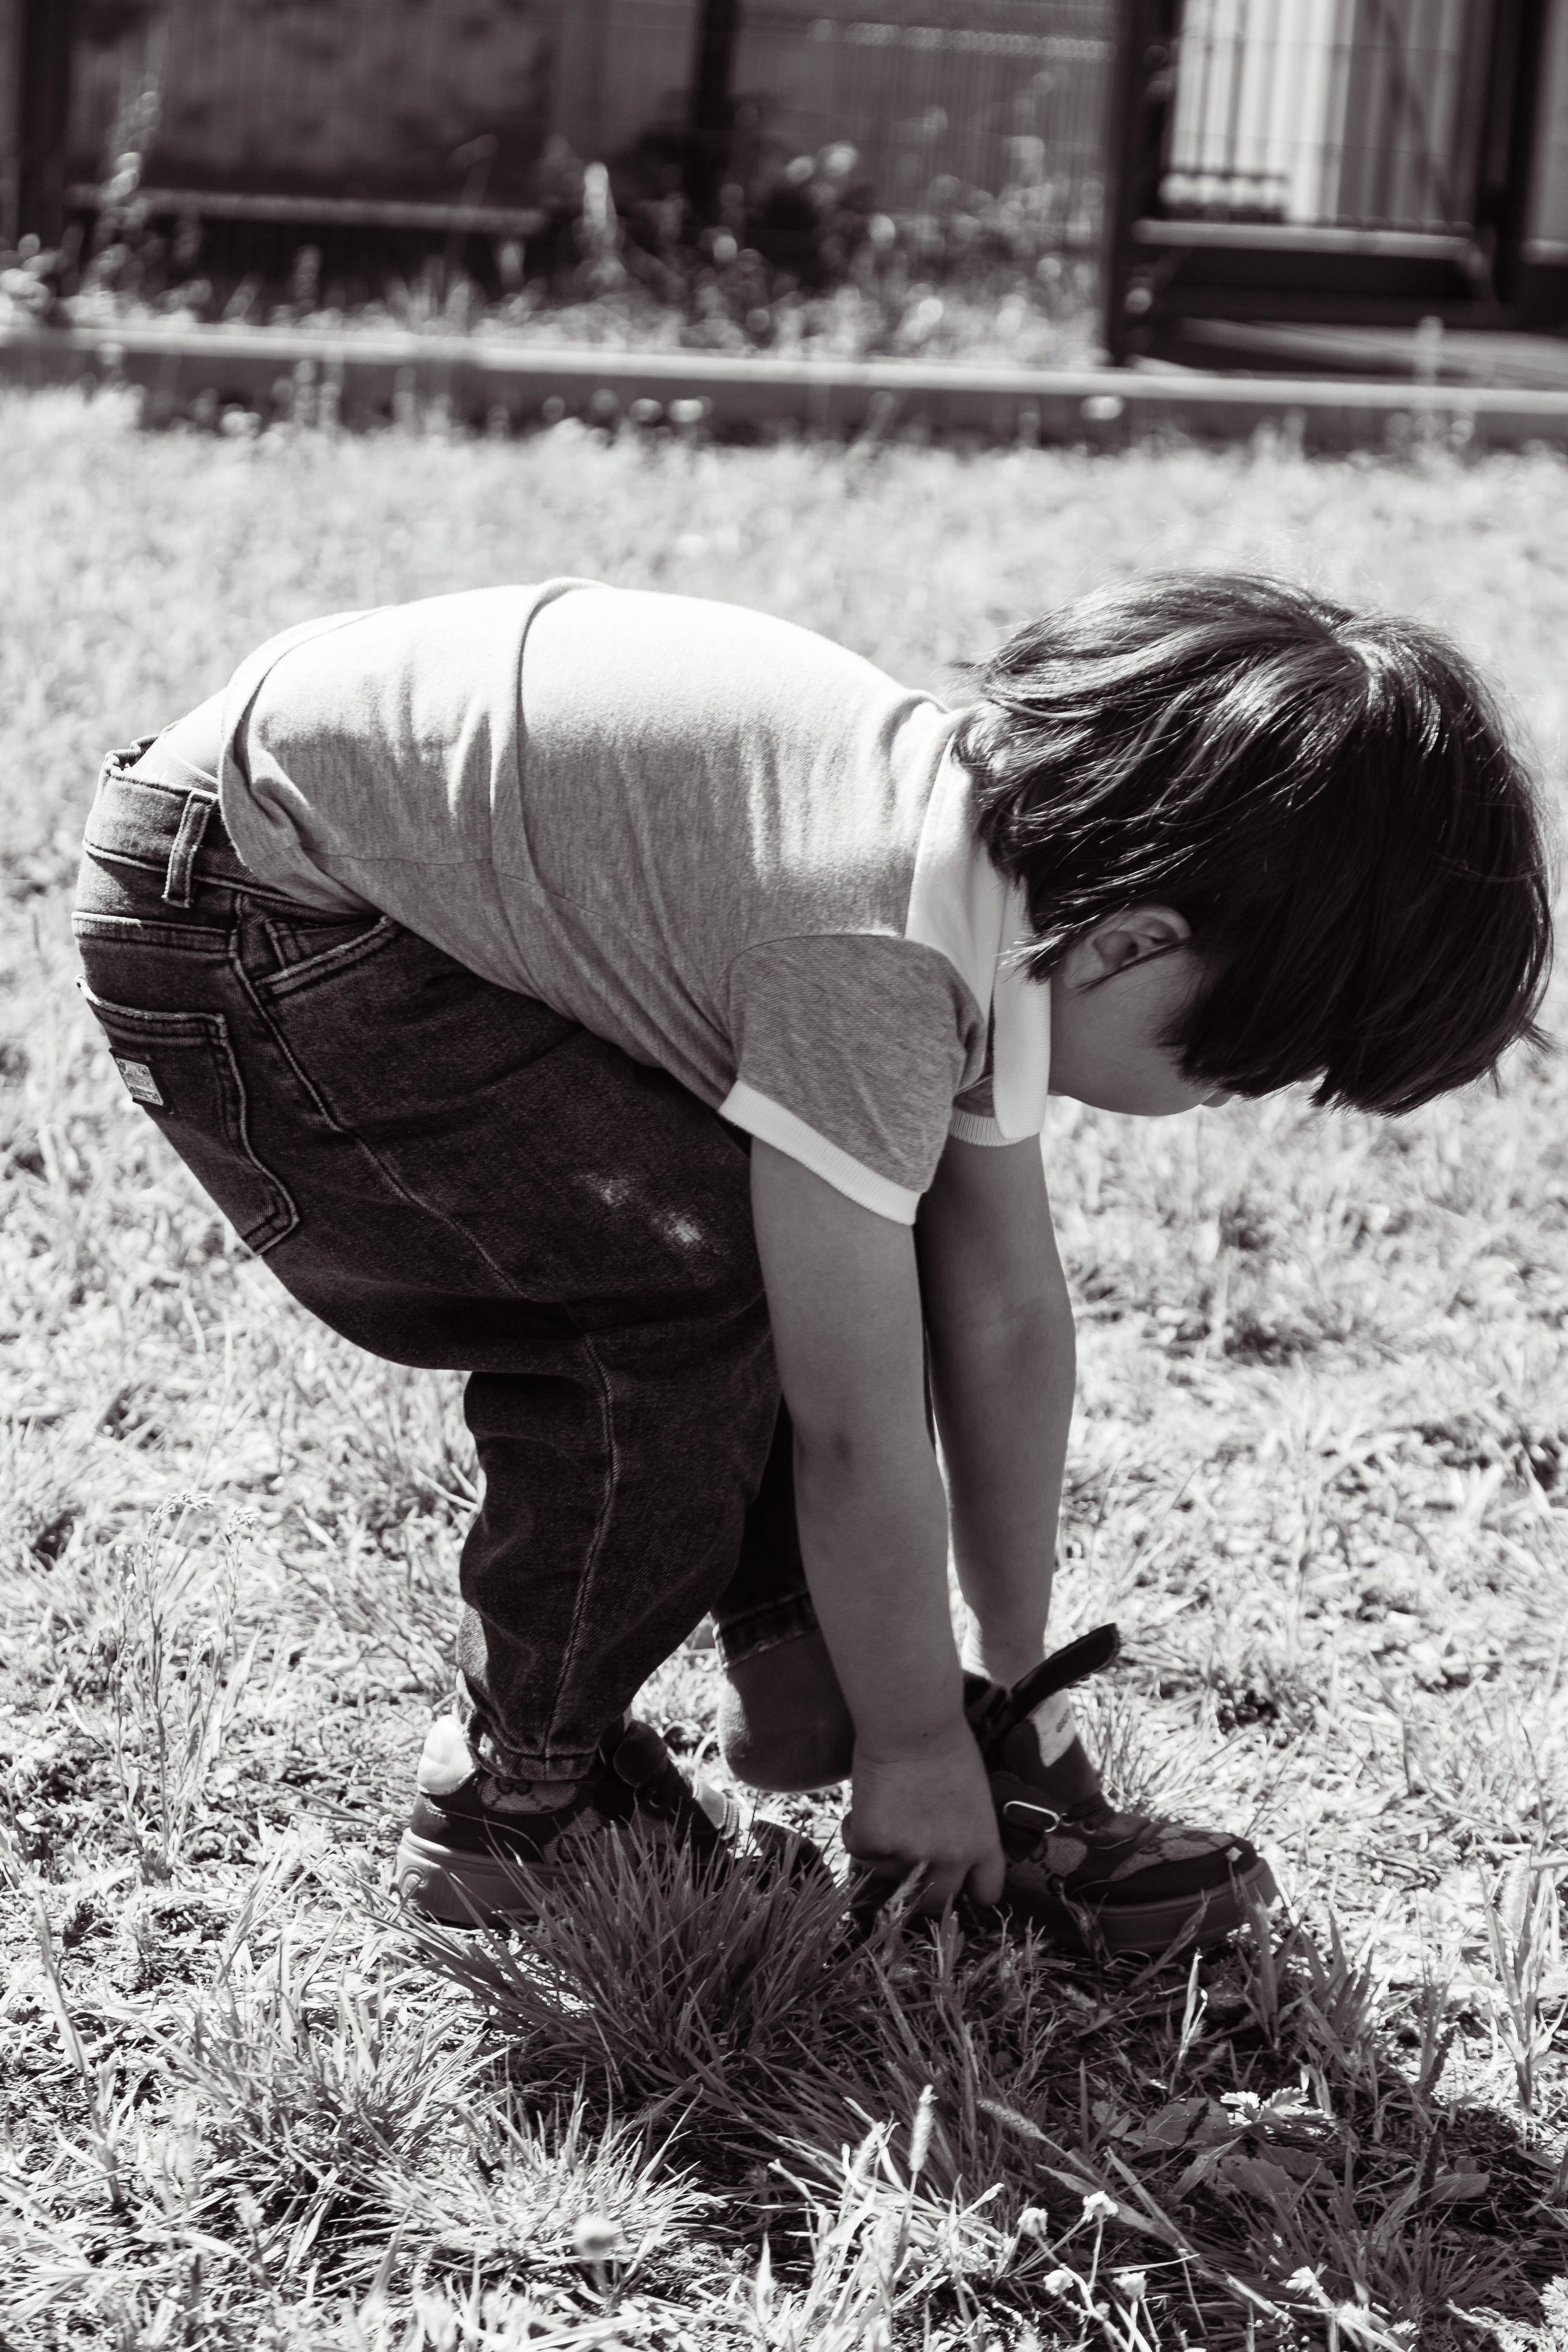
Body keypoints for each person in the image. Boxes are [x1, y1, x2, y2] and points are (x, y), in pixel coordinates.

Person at [71, 571, 1551, 1954]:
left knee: (816, 1254)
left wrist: (1012, 1685)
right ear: (1132, 946)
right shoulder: (881, 953)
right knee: (682, 1291)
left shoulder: (1004, 883)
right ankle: (516, 1799)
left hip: (325, 849)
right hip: (249, 912)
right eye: (1252, 1068)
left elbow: (1005, 1314)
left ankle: (810, 1682)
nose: (1244, 1100)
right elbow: (852, 1425)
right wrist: (913, 1755)